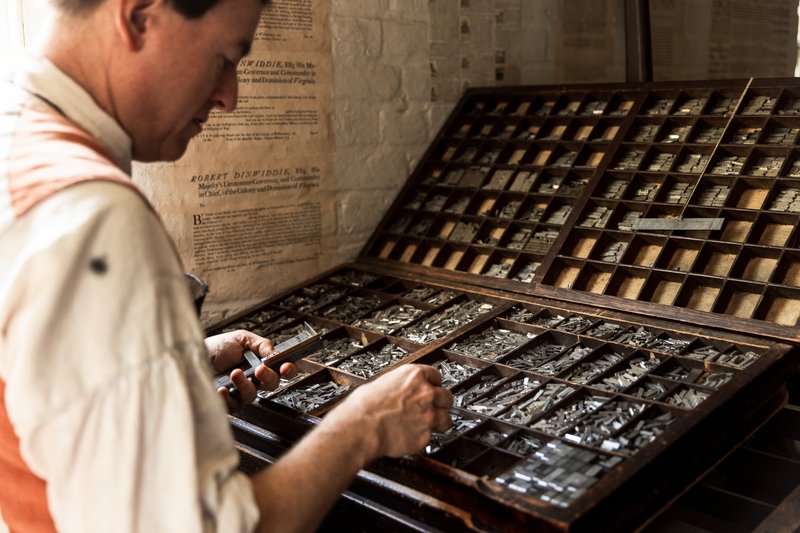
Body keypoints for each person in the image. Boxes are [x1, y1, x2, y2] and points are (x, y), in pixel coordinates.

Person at [0, 0, 454, 531]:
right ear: (140, 15)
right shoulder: (97, 221)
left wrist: (175, 362)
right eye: (224, 58)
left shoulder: (19, 141)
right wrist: (365, 425)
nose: (229, 97)